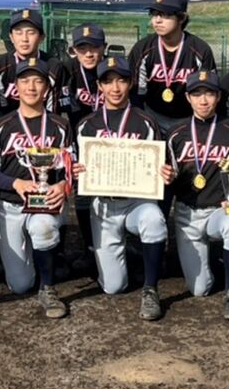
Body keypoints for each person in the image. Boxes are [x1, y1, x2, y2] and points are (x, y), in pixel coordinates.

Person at [71, 54, 171, 320]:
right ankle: (130, 252)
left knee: (154, 220)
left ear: (130, 83)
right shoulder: (86, 125)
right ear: (99, 86)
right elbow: (74, 167)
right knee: (114, 287)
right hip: (104, 205)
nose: (115, 88)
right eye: (108, 81)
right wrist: (76, 171)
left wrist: (164, 172)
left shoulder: (145, 121)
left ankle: (150, 288)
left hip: (138, 202)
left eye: (122, 81)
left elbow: (159, 165)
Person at [0, 59, 73, 318]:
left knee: (44, 228)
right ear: (16, 86)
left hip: (45, 202)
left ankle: (48, 286)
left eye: (38, 81)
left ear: (47, 87)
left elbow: (70, 168)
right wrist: (16, 183)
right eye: (25, 80)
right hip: (11, 204)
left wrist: (63, 184)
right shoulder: (1, 126)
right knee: (20, 285)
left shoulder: (60, 125)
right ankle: (33, 260)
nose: (31, 87)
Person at [166, 69, 229, 320]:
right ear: (188, 98)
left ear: (219, 97)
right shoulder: (176, 132)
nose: (203, 100)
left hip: (219, 209)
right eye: (197, 94)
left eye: (209, 93)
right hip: (187, 214)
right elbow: (169, 178)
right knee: (199, 289)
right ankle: (218, 263)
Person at [127, 0, 216, 135]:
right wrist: (143, 122)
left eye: (165, 15)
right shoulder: (143, 48)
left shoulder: (199, 49)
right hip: (152, 116)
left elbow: (208, 92)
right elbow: (136, 92)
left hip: (189, 118)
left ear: (181, 18)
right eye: (154, 14)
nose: (157, 21)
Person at [61, 24, 107, 272]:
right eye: (82, 48)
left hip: (109, 140)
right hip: (78, 140)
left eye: (95, 47)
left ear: (104, 48)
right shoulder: (67, 71)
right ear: (73, 50)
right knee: (81, 193)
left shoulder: (111, 70)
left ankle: (113, 244)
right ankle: (89, 246)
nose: (89, 53)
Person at [0, 8, 65, 117]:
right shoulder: (0, 63)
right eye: (18, 32)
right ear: (11, 37)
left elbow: (53, 110)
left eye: (31, 32)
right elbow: (0, 108)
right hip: (9, 123)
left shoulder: (53, 66)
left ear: (41, 37)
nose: (24, 39)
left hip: (43, 123)